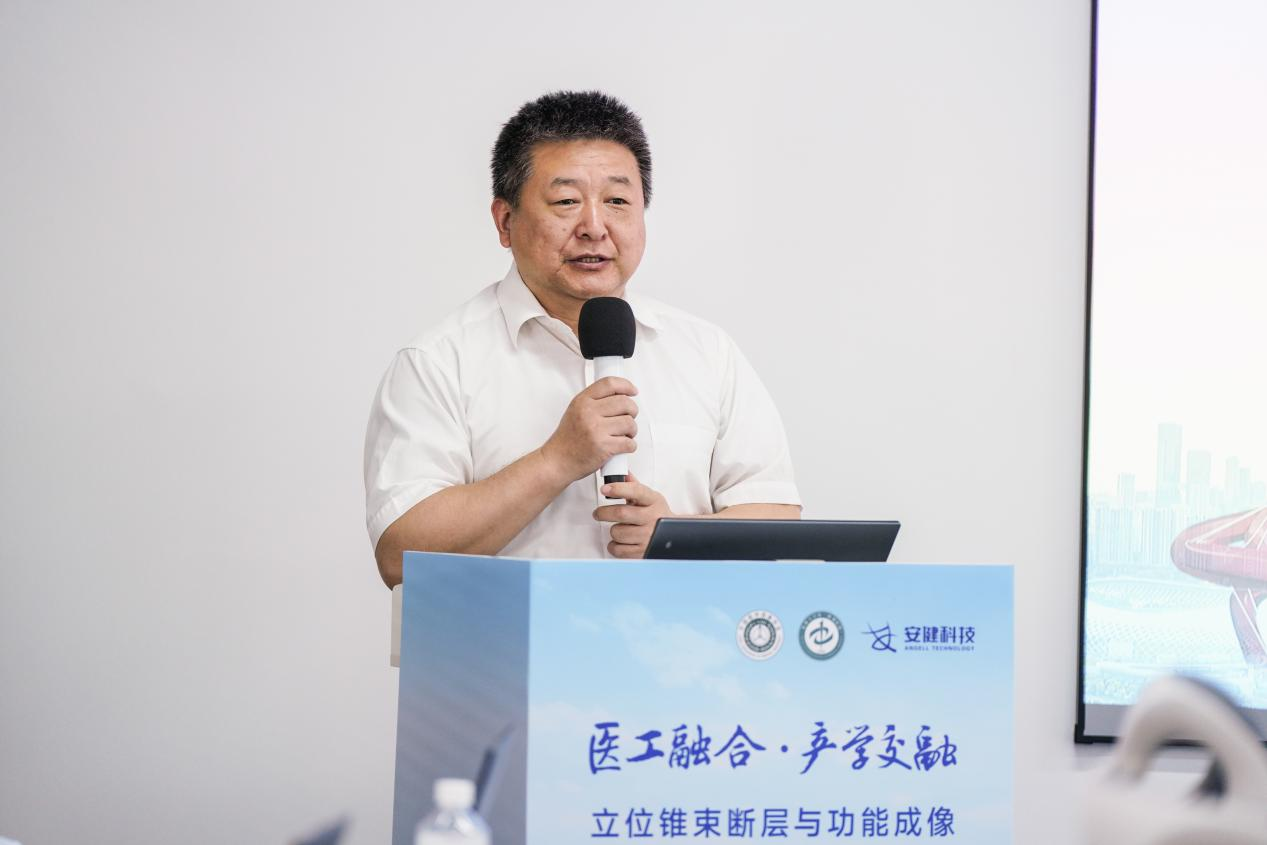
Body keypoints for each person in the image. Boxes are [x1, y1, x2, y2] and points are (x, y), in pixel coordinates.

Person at [364, 90, 800, 587]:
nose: (594, 227)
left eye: (617, 201)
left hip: (676, 636)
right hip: (507, 639)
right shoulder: (438, 362)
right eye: (566, 202)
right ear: (505, 222)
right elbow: (399, 557)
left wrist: (678, 537)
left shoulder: (707, 352)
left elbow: (777, 521)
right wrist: (556, 461)